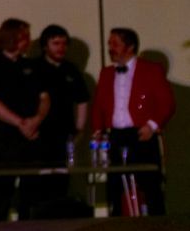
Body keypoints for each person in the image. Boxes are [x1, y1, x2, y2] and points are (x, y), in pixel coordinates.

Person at [92, 28, 175, 216]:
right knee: (115, 186)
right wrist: (98, 130)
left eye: (115, 44)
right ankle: (117, 230)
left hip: (141, 134)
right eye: (109, 44)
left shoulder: (151, 70)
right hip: (116, 136)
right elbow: (98, 105)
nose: (110, 48)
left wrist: (152, 126)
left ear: (130, 47)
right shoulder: (106, 73)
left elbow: (167, 103)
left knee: (150, 185)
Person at [0, 18, 49, 221]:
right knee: (2, 189)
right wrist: (19, 123)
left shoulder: (31, 65)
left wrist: (36, 119)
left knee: (31, 190)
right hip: (6, 139)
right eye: (23, 36)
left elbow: (44, 98)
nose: (27, 41)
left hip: (32, 137)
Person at [35, 24, 89, 198]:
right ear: (45, 46)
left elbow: (82, 100)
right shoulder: (35, 67)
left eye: (64, 44)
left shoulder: (71, 70)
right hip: (39, 134)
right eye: (56, 43)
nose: (61, 48)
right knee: (38, 181)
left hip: (64, 133)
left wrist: (79, 129)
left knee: (61, 179)